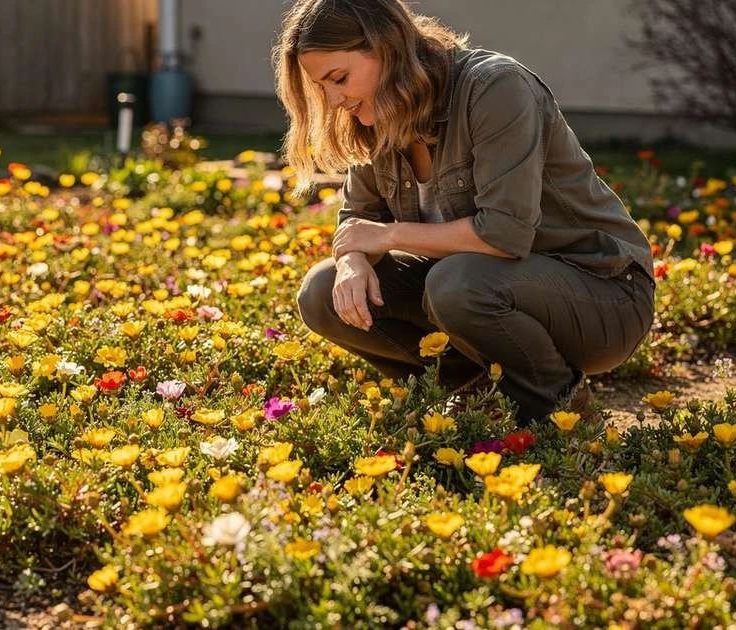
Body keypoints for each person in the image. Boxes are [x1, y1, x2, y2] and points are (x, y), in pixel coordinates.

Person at [274, 0, 655, 425]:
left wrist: (388, 236)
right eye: (322, 87)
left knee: (455, 283)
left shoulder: (494, 87)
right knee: (322, 291)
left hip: (603, 294)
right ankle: (473, 389)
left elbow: (504, 234)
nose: (333, 100)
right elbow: (358, 222)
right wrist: (353, 261)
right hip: (483, 289)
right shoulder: (376, 117)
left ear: (387, 47)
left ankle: (556, 401)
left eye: (339, 79)